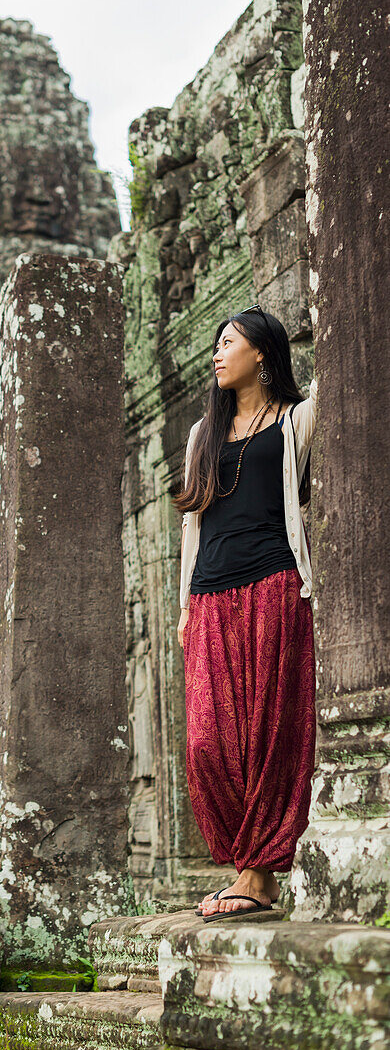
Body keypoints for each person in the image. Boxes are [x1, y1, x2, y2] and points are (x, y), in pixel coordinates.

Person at [173, 304, 317, 920]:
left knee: (272, 733)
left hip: (276, 583)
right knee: (208, 744)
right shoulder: (202, 435)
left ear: (261, 352)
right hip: (210, 593)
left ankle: (256, 880)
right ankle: (247, 870)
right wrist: (183, 605)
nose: (217, 352)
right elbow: (191, 525)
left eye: (227, 341)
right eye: (215, 343)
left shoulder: (300, 419)